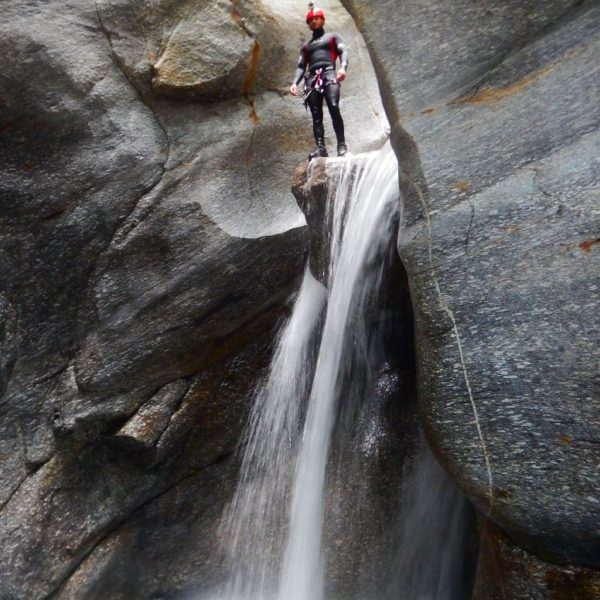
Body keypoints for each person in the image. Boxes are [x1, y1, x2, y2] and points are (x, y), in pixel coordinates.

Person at [289, 5, 349, 160]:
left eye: (316, 18)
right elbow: (301, 66)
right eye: (311, 20)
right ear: (308, 24)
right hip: (312, 79)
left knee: (334, 106)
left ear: (322, 19)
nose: (314, 21)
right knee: (316, 115)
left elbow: (343, 52)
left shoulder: (332, 37)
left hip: (329, 73)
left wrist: (342, 68)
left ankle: (341, 145)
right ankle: (321, 147)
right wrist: (295, 82)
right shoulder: (306, 46)